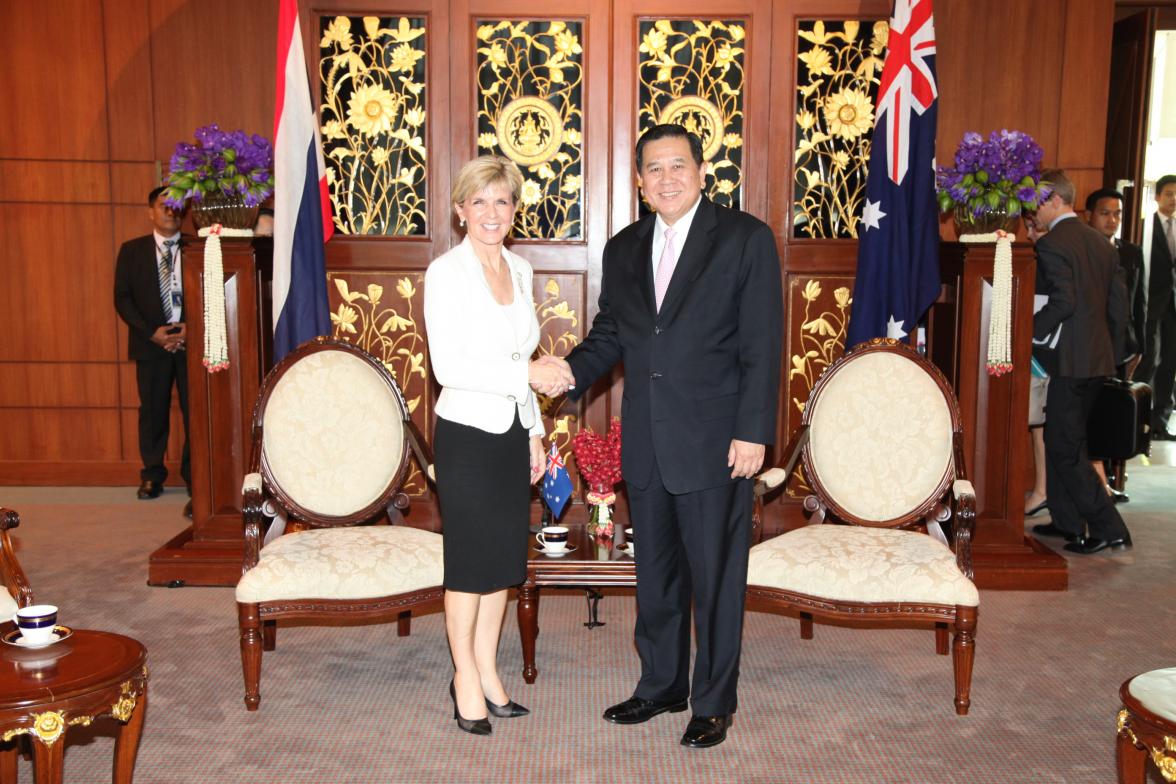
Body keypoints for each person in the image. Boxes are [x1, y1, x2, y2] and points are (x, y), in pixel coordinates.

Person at [536, 124, 782, 748]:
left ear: (702, 171)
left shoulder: (745, 239)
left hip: (718, 442)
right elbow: (612, 335)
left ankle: (713, 702)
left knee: (717, 579)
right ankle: (662, 686)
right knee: (658, 576)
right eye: (654, 169)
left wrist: (754, 432)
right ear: (641, 182)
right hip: (646, 439)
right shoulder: (624, 248)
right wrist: (569, 370)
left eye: (678, 165)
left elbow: (760, 344)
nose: (666, 177)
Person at [423, 156, 566, 736]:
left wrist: (532, 430)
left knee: (503, 561)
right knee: (469, 562)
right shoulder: (445, 272)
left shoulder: (522, 268)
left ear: (513, 211)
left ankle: (487, 667)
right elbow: (449, 365)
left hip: (511, 434)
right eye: (479, 201)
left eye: (502, 201)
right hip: (465, 435)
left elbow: (517, 355)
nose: (491, 212)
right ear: (460, 211)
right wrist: (527, 379)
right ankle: (462, 677)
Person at [1028, 170, 1132, 555]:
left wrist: (1027, 333)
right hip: (1098, 357)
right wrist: (1114, 352)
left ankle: (1110, 528)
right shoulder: (1101, 242)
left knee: (1065, 444)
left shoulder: (1053, 243)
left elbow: (1064, 302)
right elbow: (1117, 308)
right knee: (1064, 438)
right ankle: (1068, 520)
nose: (1032, 209)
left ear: (1054, 200)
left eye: (1036, 200)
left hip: (1070, 359)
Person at [113, 186, 192, 517]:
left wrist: (193, 326)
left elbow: (213, 290)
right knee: (153, 411)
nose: (170, 211)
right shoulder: (131, 251)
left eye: (176, 206)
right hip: (151, 344)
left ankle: (196, 480)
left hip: (191, 342)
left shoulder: (198, 247)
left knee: (195, 413)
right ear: (151, 212)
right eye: (164, 206)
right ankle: (152, 475)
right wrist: (152, 333)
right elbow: (122, 298)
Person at [1085, 187, 1144, 502]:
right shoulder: (1082, 249)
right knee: (1094, 414)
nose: (1112, 220)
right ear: (1090, 215)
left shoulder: (1131, 252)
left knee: (1114, 413)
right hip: (1091, 346)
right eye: (1106, 213)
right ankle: (1099, 483)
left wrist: (1139, 347)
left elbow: (1139, 303)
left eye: (1118, 214)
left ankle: (1108, 479)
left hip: (1122, 347)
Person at [1139, 174, 1176, 440]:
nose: (1173, 199)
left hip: (1174, 304)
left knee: (1171, 363)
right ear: (1157, 196)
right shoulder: (1144, 226)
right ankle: (1140, 419)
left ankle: (1161, 421)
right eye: (1169, 194)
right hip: (1151, 301)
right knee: (1149, 357)